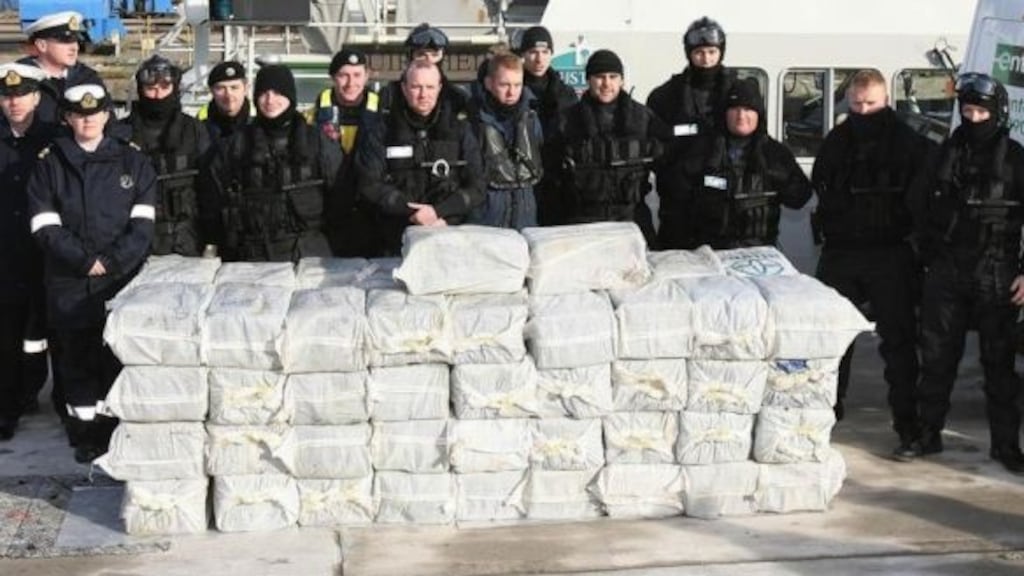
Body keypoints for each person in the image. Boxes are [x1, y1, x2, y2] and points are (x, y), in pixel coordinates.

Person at [902, 73, 1024, 474]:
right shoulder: (943, 155)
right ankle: (926, 434)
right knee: (936, 358)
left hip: (997, 271)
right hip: (947, 270)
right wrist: (926, 255)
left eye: (981, 111)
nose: (974, 118)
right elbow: (916, 206)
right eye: (967, 110)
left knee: (999, 365)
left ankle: (1005, 446)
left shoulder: (1016, 160)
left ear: (998, 112)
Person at [26, 83, 156, 462]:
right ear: (67, 118)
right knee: (76, 361)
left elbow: (143, 225)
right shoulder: (50, 163)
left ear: (106, 115)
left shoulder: (133, 161)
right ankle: (84, 433)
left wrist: (112, 262)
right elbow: (44, 225)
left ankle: (115, 428)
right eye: (79, 115)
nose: (88, 120)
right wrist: (85, 261)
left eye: (94, 113)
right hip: (70, 281)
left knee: (116, 356)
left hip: (121, 280)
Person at [811, 69, 932, 451]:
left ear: (886, 101)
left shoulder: (910, 143)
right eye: (858, 104)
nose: (864, 111)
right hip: (843, 252)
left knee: (899, 343)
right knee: (831, 340)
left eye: (872, 104)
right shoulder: (837, 141)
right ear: (848, 103)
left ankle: (908, 427)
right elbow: (822, 184)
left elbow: (927, 197)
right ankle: (824, 416)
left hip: (891, 253)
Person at [199, 65, 341, 262]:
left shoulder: (317, 142)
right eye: (264, 93)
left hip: (309, 254)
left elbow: (341, 198)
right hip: (250, 256)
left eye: (277, 93)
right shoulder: (235, 145)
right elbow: (212, 199)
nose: (270, 100)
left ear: (290, 96)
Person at [659, 79, 811, 248]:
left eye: (748, 109)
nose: (741, 116)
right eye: (735, 109)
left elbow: (800, 199)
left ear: (758, 114)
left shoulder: (775, 153)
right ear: (724, 113)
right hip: (709, 250)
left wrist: (779, 176)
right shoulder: (702, 150)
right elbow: (676, 198)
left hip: (759, 251)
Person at [355, 60, 484, 255]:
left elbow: (478, 186)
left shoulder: (460, 130)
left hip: (449, 234)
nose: (424, 94)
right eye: (416, 87)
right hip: (395, 239)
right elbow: (369, 184)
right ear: (404, 88)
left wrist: (440, 213)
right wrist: (412, 212)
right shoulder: (382, 131)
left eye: (430, 87)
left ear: (440, 88)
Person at [555, 49, 666, 243]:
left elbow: (667, 163)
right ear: (588, 80)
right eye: (599, 77)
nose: (606, 83)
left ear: (622, 80)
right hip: (582, 224)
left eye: (613, 77)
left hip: (632, 222)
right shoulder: (567, 121)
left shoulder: (643, 118)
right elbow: (553, 176)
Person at [0, 63, 57, 440]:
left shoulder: (54, 140)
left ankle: (49, 397)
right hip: (5, 253)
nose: (14, 102)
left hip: (48, 253)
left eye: (21, 95)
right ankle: (7, 408)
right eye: (7, 96)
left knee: (51, 333)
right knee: (5, 334)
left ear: (36, 98)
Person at [127, 54, 210, 257]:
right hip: (137, 239)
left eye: (165, 88)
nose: (158, 96)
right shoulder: (122, 132)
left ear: (175, 89)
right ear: (141, 91)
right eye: (151, 89)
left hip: (187, 239)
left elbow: (210, 187)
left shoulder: (194, 130)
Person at [308, 48, 380, 257]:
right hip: (327, 217)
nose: (351, 83)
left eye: (357, 75)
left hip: (373, 216)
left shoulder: (385, 116)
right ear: (332, 78)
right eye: (343, 76)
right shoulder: (310, 120)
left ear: (367, 75)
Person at [468, 50, 544, 230]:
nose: (512, 92)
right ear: (488, 83)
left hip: (526, 220)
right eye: (504, 85)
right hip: (487, 222)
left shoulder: (532, 119)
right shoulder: (473, 122)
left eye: (517, 85)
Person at [515, 25, 578, 225]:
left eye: (545, 52)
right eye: (533, 52)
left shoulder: (564, 94)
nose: (539, 59)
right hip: (520, 179)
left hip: (555, 182)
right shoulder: (512, 90)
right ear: (523, 54)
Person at [17, 11, 101, 124]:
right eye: (65, 41)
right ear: (42, 45)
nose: (74, 48)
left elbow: (110, 124)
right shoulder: (21, 79)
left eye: (77, 41)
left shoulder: (88, 78)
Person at [197, 60, 253, 148]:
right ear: (211, 91)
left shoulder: (259, 131)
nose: (228, 94)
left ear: (246, 89)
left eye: (234, 87)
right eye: (221, 88)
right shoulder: (197, 133)